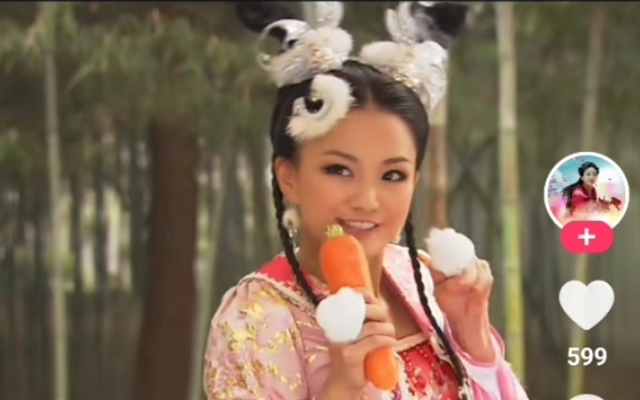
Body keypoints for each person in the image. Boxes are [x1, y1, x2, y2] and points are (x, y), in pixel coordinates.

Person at [203, 2, 529, 399]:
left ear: (414, 182)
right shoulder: (255, 317)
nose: (368, 200)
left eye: (393, 175)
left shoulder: (423, 280)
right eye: (339, 170)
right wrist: (343, 387)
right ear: (288, 177)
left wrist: (472, 334)